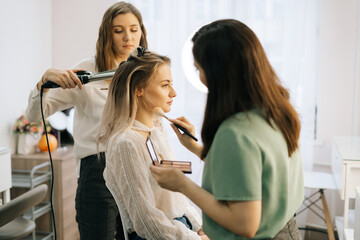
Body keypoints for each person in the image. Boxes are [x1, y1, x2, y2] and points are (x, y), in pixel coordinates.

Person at [150, 19, 304, 240]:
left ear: (218, 72)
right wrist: (196, 149)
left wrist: (182, 184)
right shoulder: (276, 109)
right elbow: (251, 169)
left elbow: (245, 224)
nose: (200, 77)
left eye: (199, 68)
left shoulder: (235, 133)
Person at [25, 2, 147, 239]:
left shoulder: (145, 71)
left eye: (134, 29)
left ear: (141, 30)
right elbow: (34, 115)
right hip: (98, 168)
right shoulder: (86, 71)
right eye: (118, 30)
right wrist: (44, 83)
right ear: (107, 33)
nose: (128, 37)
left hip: (137, 167)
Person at [98, 48, 209, 240]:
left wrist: (199, 227)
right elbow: (146, 221)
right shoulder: (126, 144)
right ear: (139, 89)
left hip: (180, 227)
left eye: (171, 84)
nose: (173, 93)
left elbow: (174, 199)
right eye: (165, 85)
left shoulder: (156, 132)